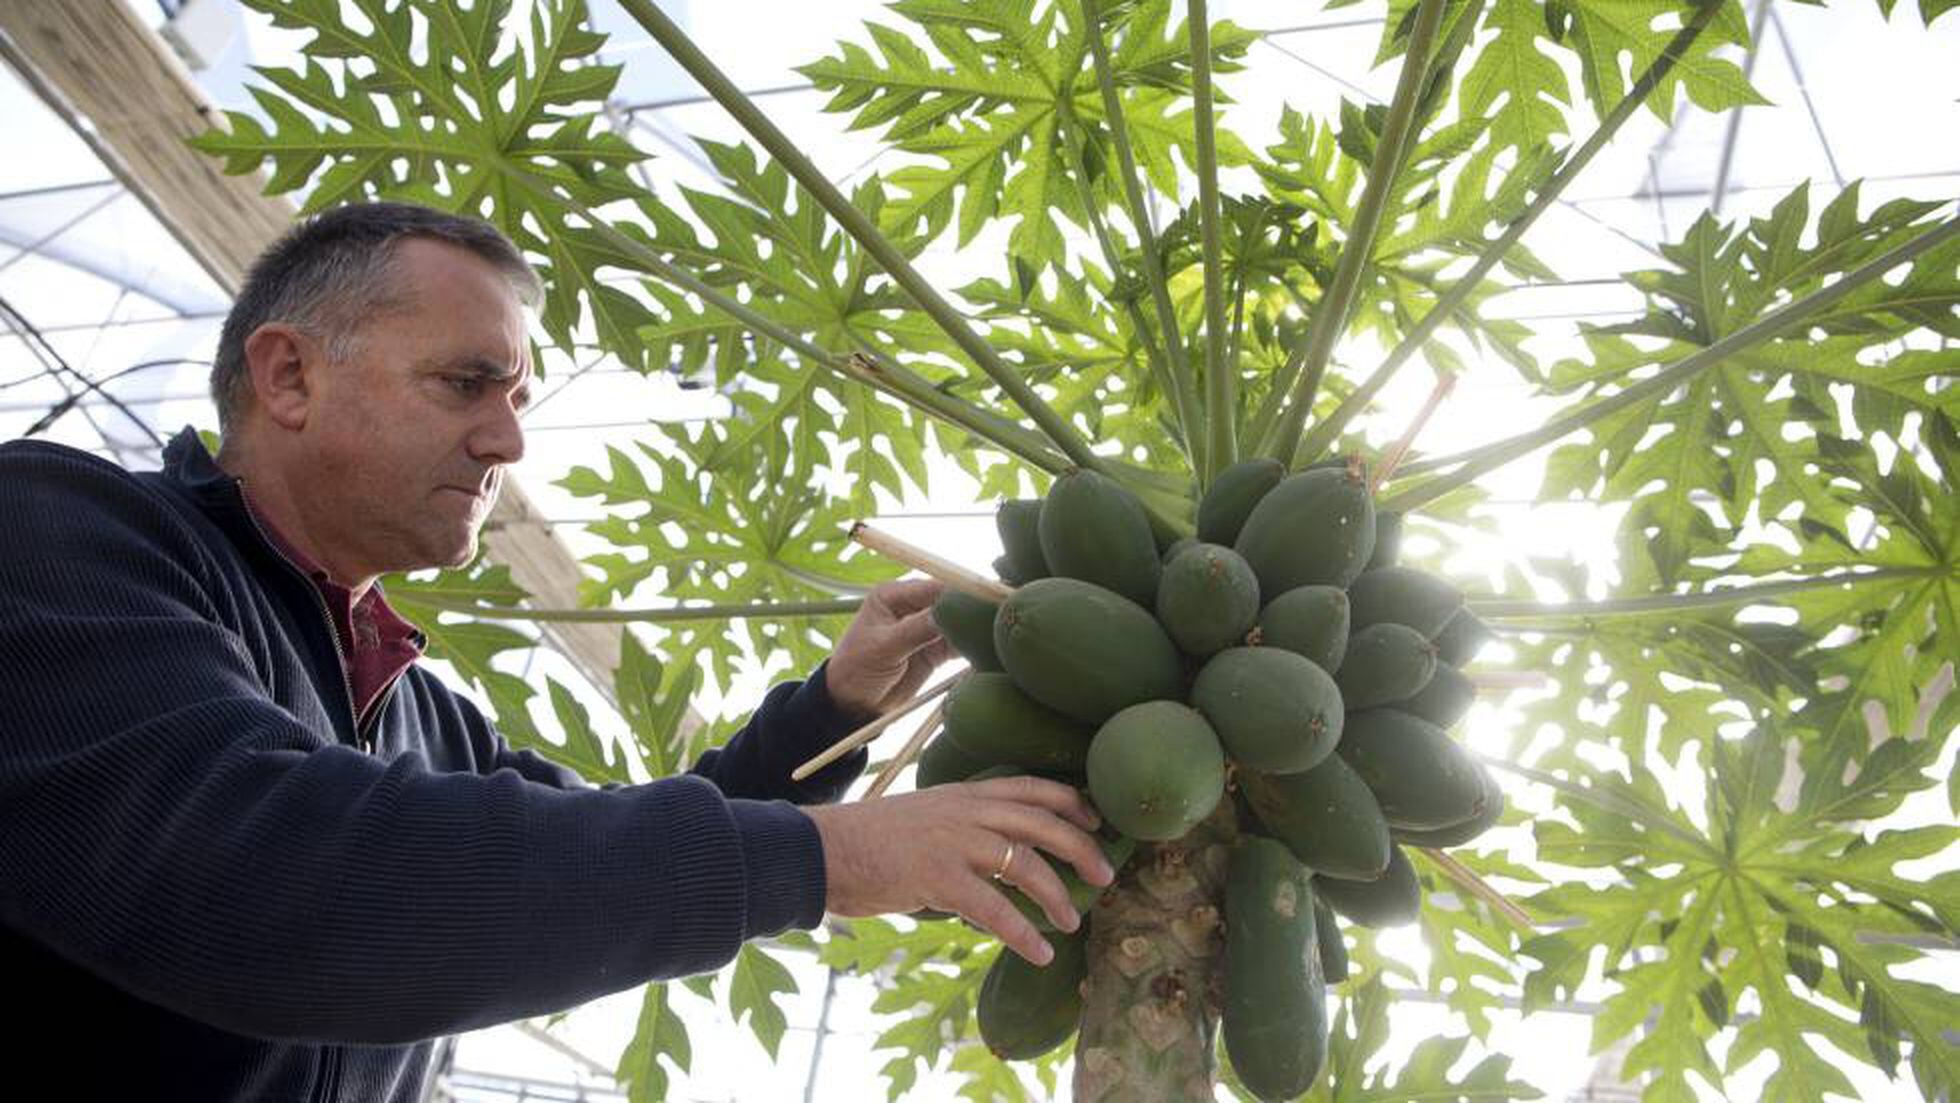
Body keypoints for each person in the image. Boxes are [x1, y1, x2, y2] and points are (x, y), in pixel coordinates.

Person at [0, 202, 1112, 1101]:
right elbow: (276, 878)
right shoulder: (60, 535)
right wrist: (837, 857)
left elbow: (593, 857)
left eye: (520, 396)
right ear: (287, 374)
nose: (508, 440)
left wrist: (831, 703)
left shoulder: (421, 716)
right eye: (466, 383)